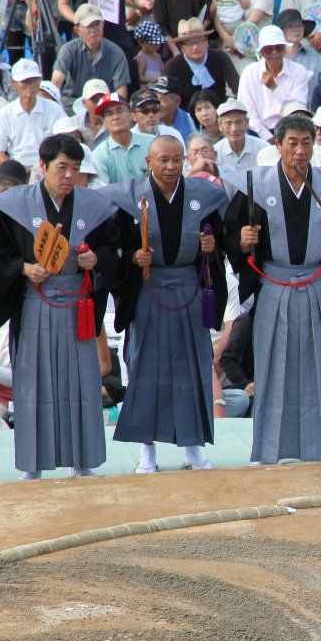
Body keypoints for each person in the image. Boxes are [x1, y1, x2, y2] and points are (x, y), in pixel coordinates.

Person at [225, 113, 321, 465]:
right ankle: (269, 451)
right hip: (273, 284)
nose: (300, 151)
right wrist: (242, 243)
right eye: (292, 143)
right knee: (272, 365)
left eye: (306, 143)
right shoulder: (254, 185)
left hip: (317, 283)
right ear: (277, 145)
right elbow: (231, 234)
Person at [0, 134, 122, 479]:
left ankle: (84, 460)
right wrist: (24, 268)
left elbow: (112, 249)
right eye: (62, 167)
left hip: (77, 302)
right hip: (36, 302)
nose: (68, 176)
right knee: (35, 382)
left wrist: (97, 258)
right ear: (42, 166)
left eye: (75, 169)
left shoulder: (94, 207)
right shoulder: (15, 205)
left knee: (81, 381)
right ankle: (34, 464)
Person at [102, 135, 234, 473]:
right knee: (146, 371)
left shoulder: (204, 196)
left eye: (177, 160)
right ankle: (148, 451)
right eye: (163, 160)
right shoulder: (128, 198)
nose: (171, 166)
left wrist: (210, 246)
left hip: (189, 288)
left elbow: (219, 241)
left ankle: (193, 448)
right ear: (149, 161)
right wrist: (133, 256)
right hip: (149, 289)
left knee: (193, 368)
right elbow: (115, 247)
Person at [235, 25, 310, 140]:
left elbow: (297, 110)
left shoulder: (298, 71)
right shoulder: (249, 73)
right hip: (257, 132)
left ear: (285, 48)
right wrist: (267, 137)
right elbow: (247, 112)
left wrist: (274, 88)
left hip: (291, 130)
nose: (274, 53)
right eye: (269, 49)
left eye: (279, 48)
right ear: (261, 52)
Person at [52, 4, 133, 110]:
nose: (94, 30)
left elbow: (121, 92)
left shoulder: (116, 53)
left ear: (103, 26)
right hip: (71, 105)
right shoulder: (68, 50)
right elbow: (56, 82)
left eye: (97, 24)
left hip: (104, 105)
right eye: (89, 26)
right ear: (77, 31)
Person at [0, 59, 64, 168]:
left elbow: (66, 141)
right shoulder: (4, 114)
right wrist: (14, 169)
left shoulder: (54, 109)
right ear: (14, 84)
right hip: (17, 168)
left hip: (49, 167)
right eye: (26, 81)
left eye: (35, 80)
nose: (31, 85)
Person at [161, 17, 239, 111]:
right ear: (181, 47)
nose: (195, 47)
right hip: (186, 117)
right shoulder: (173, 66)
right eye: (189, 43)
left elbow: (237, 86)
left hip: (219, 113)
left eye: (199, 41)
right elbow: (165, 96)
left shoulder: (220, 57)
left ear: (206, 41)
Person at [91, 94, 153, 181]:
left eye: (120, 111)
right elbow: (102, 191)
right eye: (109, 114)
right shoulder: (99, 155)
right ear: (104, 121)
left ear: (131, 115)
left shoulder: (152, 143)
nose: (116, 117)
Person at [213, 98, 266, 171]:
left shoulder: (263, 148)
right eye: (228, 123)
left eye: (239, 122)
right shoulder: (215, 152)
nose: (234, 129)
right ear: (220, 125)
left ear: (247, 123)